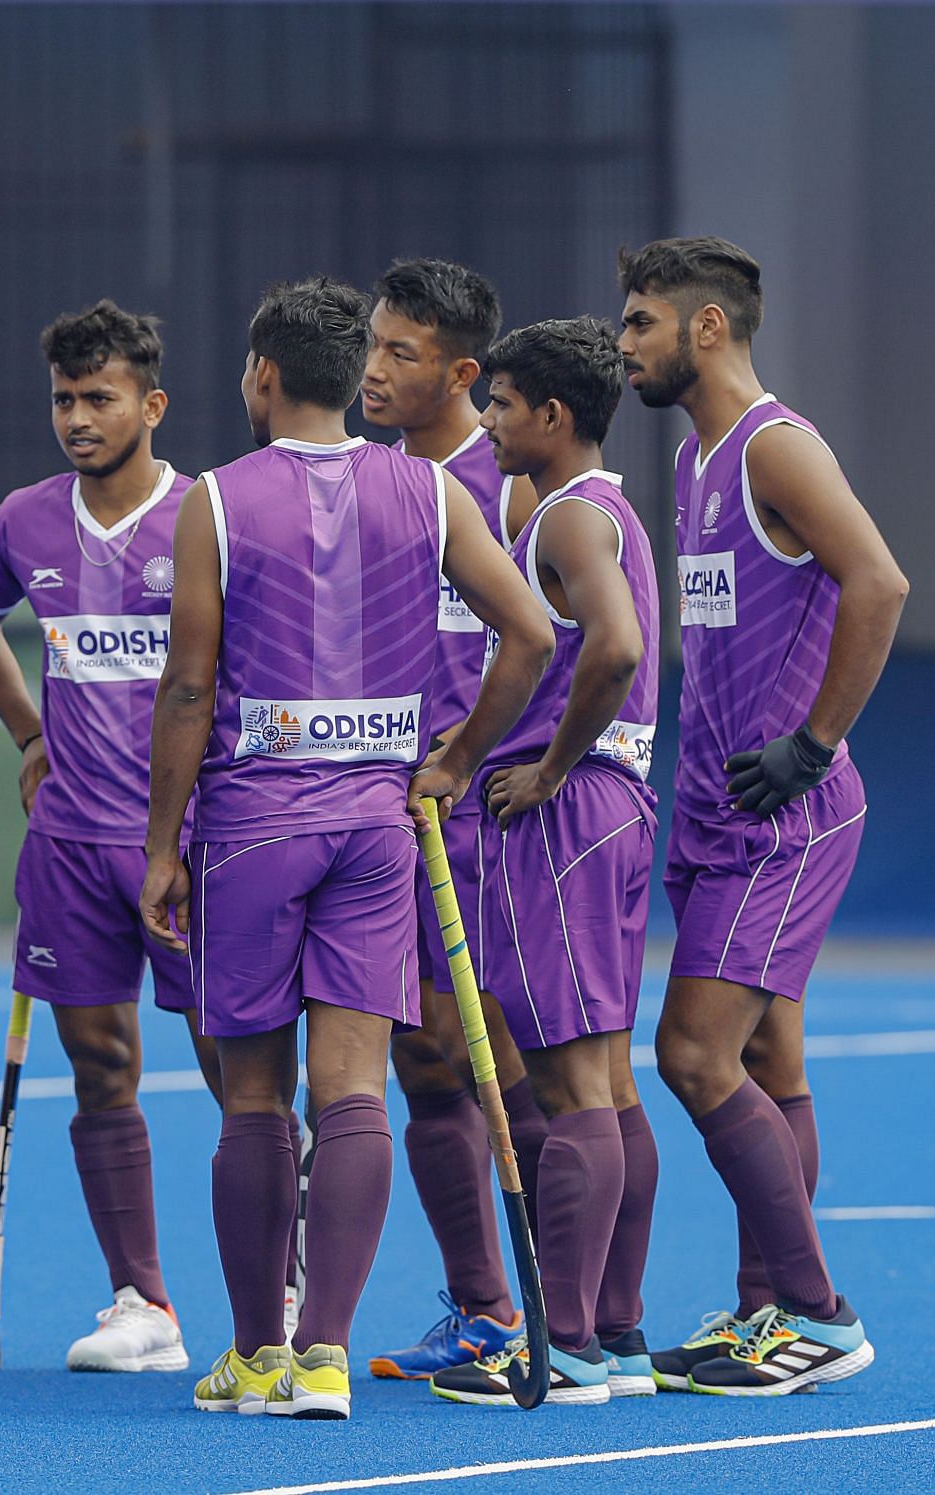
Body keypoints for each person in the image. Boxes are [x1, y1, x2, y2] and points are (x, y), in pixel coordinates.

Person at [142, 277, 552, 1421]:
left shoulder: (213, 499)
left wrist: (160, 844)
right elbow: (529, 632)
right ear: (349, 372)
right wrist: (458, 757)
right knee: (356, 1089)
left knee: (255, 1098)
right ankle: (326, 1355)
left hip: (253, 828)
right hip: (378, 825)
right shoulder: (428, 488)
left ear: (264, 378)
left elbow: (187, 685)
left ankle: (257, 1351)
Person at [616, 236, 904, 1395]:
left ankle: (821, 1315)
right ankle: (764, 1313)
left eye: (640, 321)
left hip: (786, 815)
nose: (623, 342)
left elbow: (879, 582)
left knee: (690, 1053)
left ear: (708, 329)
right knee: (769, 1051)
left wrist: (814, 742)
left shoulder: (774, 448)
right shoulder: (694, 464)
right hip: (714, 810)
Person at [0, 300, 249, 1373]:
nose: (78, 418)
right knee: (100, 1064)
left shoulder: (208, 517)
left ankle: (288, 1288)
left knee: (239, 1071)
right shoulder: (24, 521)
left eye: (100, 398)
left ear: (152, 404)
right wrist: (30, 732)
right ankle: (145, 1305)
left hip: (197, 843)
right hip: (72, 843)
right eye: (64, 400)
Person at [423, 317, 660, 1408]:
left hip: (569, 817)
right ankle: (615, 1333)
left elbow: (613, 646)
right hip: (616, 813)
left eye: (502, 405)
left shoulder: (566, 518)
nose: (488, 422)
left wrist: (553, 765)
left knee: (572, 1090)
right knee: (607, 1085)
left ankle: (561, 1345)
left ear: (551, 418)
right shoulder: (602, 509)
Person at [358, 256, 532, 1381]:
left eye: (399, 353)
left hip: (485, 820)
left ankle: (581, 1312)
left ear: (461, 371)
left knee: (524, 1066)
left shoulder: (509, 483)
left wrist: (478, 761)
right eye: (370, 346)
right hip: (380, 813)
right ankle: (483, 1309)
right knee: (422, 1055)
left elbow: (568, 644)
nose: (371, 370)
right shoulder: (363, 475)